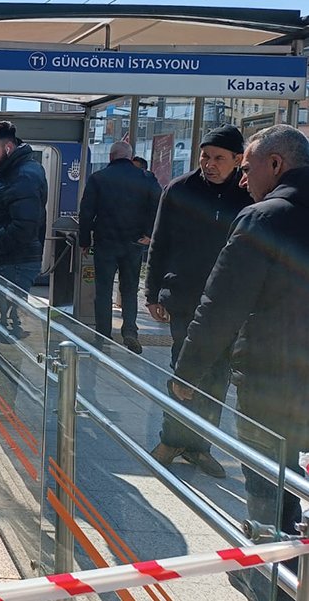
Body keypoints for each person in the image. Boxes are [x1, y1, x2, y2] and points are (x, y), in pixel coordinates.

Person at [170, 125, 309, 600]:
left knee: (269, 480)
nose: (243, 179)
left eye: (248, 168)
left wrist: (187, 373)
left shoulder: (264, 218)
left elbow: (222, 305)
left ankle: (270, 578)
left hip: (273, 377)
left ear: (276, 164)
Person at [146, 125, 252, 478]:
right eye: (205, 156)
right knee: (184, 370)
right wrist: (152, 293)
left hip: (231, 305)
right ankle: (171, 439)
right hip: (186, 298)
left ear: (238, 160)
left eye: (219, 158)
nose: (209, 163)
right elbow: (159, 242)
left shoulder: (248, 196)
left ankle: (199, 446)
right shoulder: (179, 190)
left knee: (218, 378)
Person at [78, 141, 161, 354]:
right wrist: (149, 233)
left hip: (105, 242)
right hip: (134, 243)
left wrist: (85, 241)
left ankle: (102, 334)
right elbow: (158, 206)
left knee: (103, 290)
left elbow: (86, 212)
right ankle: (130, 332)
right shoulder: (146, 178)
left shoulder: (98, 178)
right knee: (130, 288)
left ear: (111, 157)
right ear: (130, 156)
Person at [0, 122, 47, 339]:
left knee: (0, 333)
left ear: (8, 148)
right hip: (4, 261)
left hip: (12, 263)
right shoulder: (10, 172)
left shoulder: (23, 175)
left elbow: (23, 226)